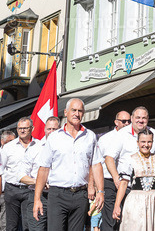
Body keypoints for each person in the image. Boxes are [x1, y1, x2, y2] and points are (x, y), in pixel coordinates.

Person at [33, 99, 104, 231]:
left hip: (80, 195)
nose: (77, 114)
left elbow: (96, 165)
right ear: (66, 112)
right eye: (73, 110)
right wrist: (37, 199)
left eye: (80, 111)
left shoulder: (90, 136)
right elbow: (43, 169)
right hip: (58, 195)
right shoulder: (54, 137)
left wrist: (100, 191)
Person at [114, 131, 155, 231]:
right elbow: (124, 183)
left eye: (149, 142)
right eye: (143, 142)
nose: (146, 145)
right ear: (137, 142)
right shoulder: (131, 160)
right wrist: (117, 205)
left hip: (153, 201)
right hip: (135, 201)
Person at [1, 117, 39, 231]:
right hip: (12, 189)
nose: (22, 131)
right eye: (19, 128)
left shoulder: (40, 145)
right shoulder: (8, 147)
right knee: (11, 225)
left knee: (28, 224)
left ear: (32, 128)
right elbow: (0, 169)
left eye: (25, 128)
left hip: (30, 189)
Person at [25, 116, 59, 231]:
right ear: (44, 129)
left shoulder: (66, 148)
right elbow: (21, 175)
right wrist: (39, 182)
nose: (51, 132)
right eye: (49, 129)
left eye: (54, 129)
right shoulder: (34, 148)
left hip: (59, 196)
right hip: (38, 196)